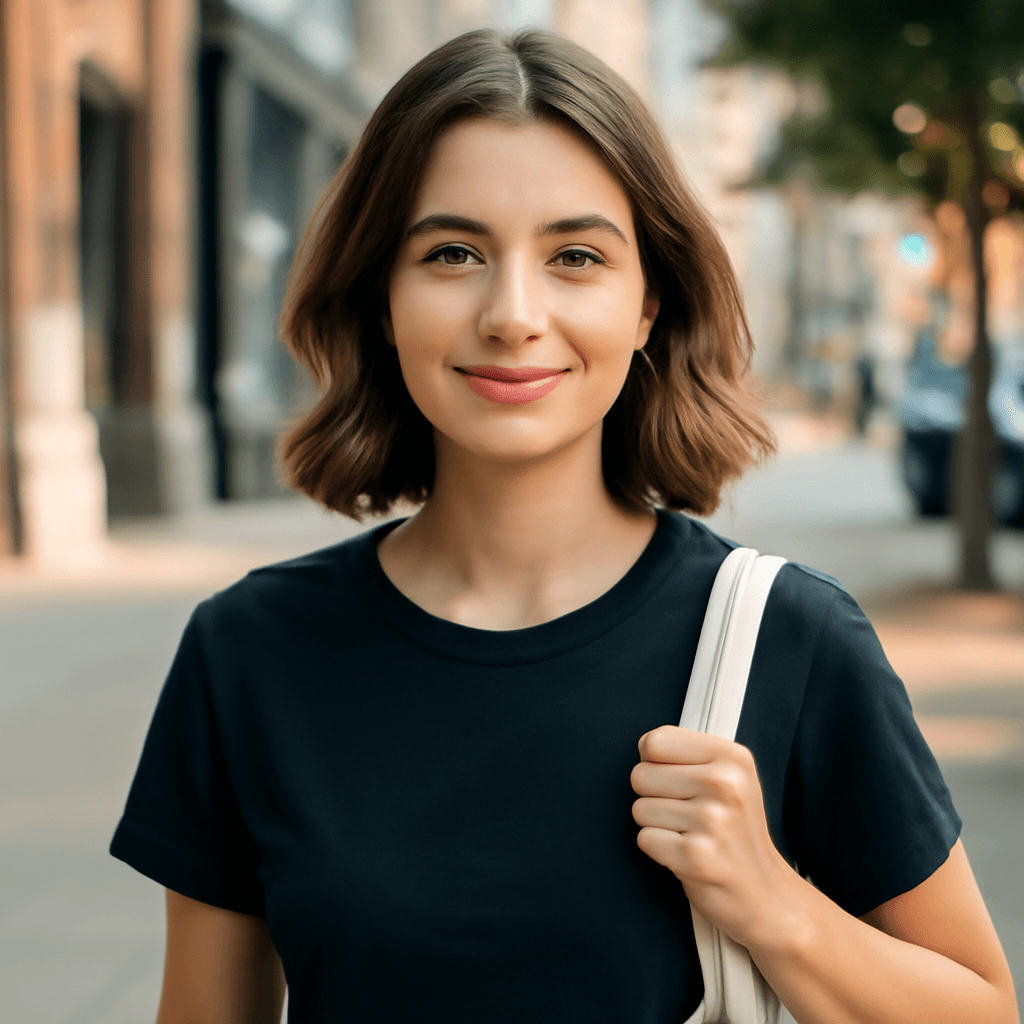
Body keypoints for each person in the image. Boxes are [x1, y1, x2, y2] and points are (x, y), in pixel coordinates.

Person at [110, 29, 1019, 1024]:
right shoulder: (251, 651)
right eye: (451, 253)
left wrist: (775, 906)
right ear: (380, 298)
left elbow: (980, 1006)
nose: (512, 312)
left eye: (575, 256)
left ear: (646, 307)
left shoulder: (787, 640)